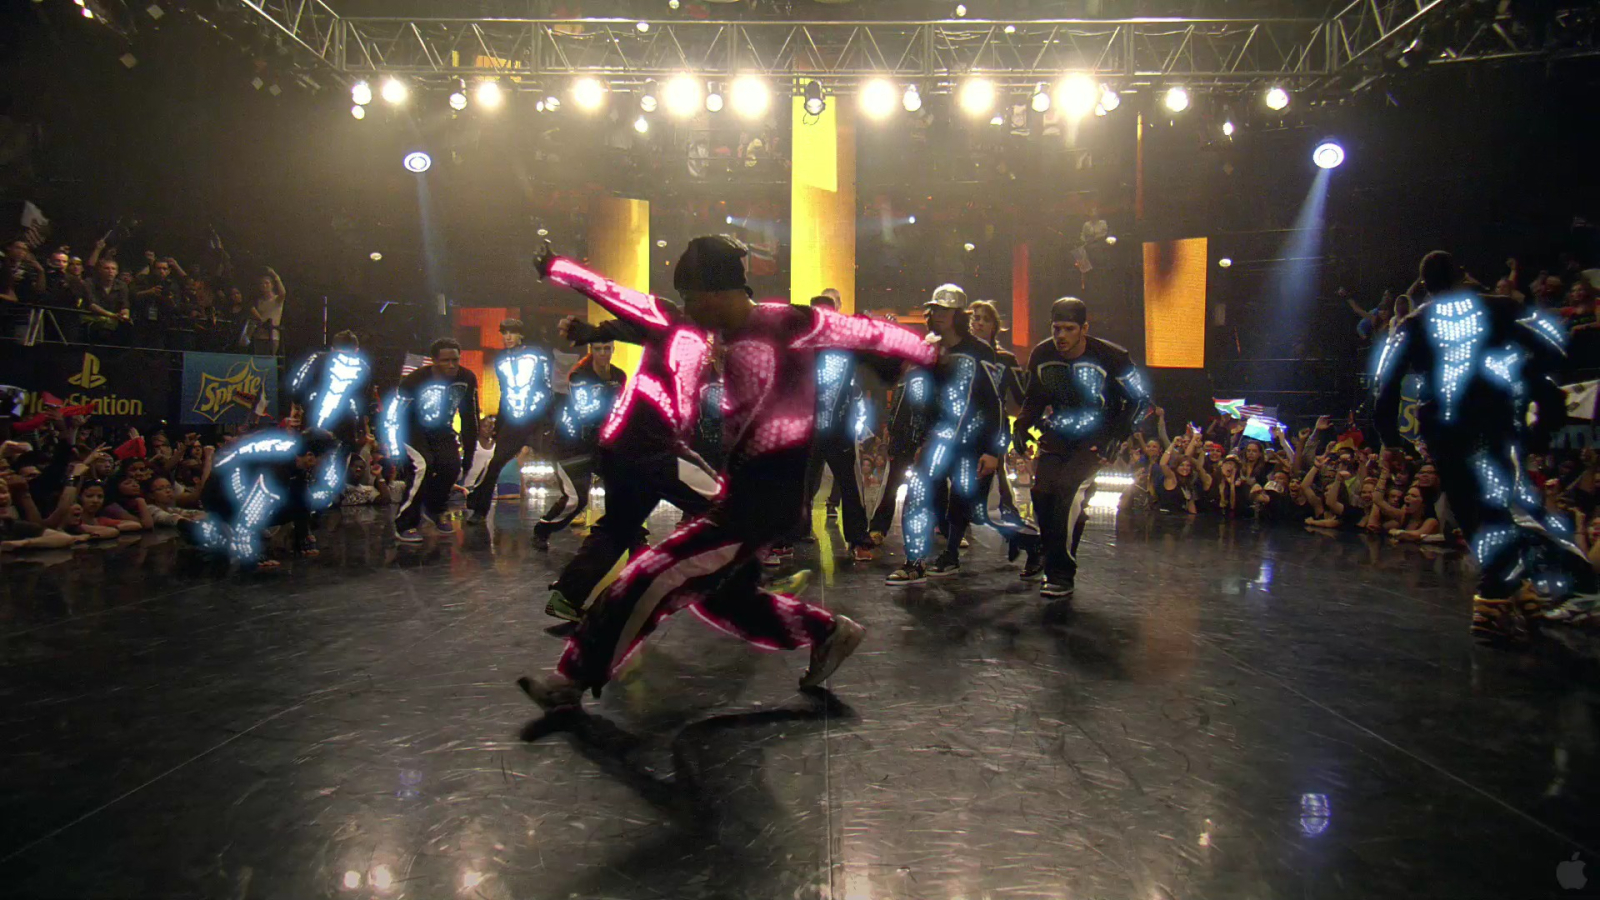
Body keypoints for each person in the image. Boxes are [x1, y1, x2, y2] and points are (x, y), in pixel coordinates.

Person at [518, 235, 936, 713]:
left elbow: (865, 332)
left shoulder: (786, 321)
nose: (688, 309)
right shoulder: (722, 336)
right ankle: (826, 631)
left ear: (716, 294)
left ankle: (572, 678)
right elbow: (624, 307)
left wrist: (929, 355)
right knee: (720, 599)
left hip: (764, 499)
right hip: (746, 493)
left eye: (691, 298)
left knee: (655, 574)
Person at [1371, 250, 1597, 644]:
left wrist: (1389, 439)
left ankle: (1506, 594)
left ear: (1425, 286)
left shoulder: (1413, 324)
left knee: (1474, 512)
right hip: (1490, 418)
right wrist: (1538, 398)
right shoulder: (1499, 308)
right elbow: (1548, 350)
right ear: (1460, 275)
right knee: (1494, 509)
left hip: (1443, 427)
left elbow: (1386, 387)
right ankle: (1505, 594)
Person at [535, 252, 723, 623]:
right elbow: (611, 293)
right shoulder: (668, 316)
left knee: (618, 527)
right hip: (651, 448)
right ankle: (744, 589)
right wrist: (557, 267)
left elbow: (629, 329)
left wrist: (596, 332)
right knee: (725, 506)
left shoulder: (695, 332)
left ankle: (568, 596)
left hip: (625, 447)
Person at [886, 284, 1038, 586]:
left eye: (946, 310)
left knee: (976, 511)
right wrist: (920, 439)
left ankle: (1033, 545)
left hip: (973, 440)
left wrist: (993, 450)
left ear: (958, 314)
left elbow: (993, 402)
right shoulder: (931, 350)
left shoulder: (980, 351)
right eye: (935, 310)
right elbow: (925, 401)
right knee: (919, 494)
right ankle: (915, 563)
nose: (939, 315)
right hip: (939, 439)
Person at [1013, 297, 1153, 599]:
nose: (1061, 335)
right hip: (1058, 434)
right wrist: (1022, 424)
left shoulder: (1113, 357)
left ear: (1084, 329)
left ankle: (1060, 574)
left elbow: (1141, 399)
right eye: (1056, 328)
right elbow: (1035, 397)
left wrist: (1119, 434)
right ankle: (1047, 552)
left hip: (1096, 438)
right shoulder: (1042, 354)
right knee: (1042, 495)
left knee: (1067, 491)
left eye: (1069, 328)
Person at [794, 293, 875, 562]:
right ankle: (790, 535)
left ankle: (858, 538)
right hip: (808, 429)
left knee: (849, 485)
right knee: (801, 483)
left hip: (839, 429)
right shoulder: (802, 346)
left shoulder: (845, 345)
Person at [188, 429, 341, 569]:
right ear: (310, 456)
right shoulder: (277, 466)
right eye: (326, 459)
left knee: (302, 497)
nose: (328, 465)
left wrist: (302, 537)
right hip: (219, 498)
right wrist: (253, 554)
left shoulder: (294, 460)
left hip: (236, 490)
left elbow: (301, 499)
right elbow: (253, 509)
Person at [380, 338, 480, 543]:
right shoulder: (415, 380)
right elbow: (395, 413)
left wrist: (469, 453)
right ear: (434, 361)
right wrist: (393, 445)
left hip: (442, 429)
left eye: (455, 360)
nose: (451, 365)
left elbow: (470, 417)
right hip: (411, 429)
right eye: (446, 360)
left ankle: (434, 509)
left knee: (452, 467)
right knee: (423, 466)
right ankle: (405, 523)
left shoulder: (466, 378)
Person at [532, 340, 625, 551]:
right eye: (598, 349)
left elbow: (620, 409)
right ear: (591, 350)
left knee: (622, 486)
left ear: (613, 349)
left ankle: (631, 538)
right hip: (570, 443)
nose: (603, 353)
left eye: (607, 348)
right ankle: (543, 529)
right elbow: (585, 411)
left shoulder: (619, 376)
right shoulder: (579, 376)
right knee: (576, 499)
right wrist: (607, 395)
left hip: (600, 443)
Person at [465, 319, 554, 523]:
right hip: (513, 418)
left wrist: (548, 418)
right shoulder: (501, 359)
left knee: (556, 460)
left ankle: (570, 503)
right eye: (504, 333)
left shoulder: (536, 354)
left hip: (536, 416)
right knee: (496, 463)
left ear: (521, 334)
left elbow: (546, 386)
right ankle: (480, 508)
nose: (507, 337)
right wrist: (500, 423)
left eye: (512, 333)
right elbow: (504, 393)